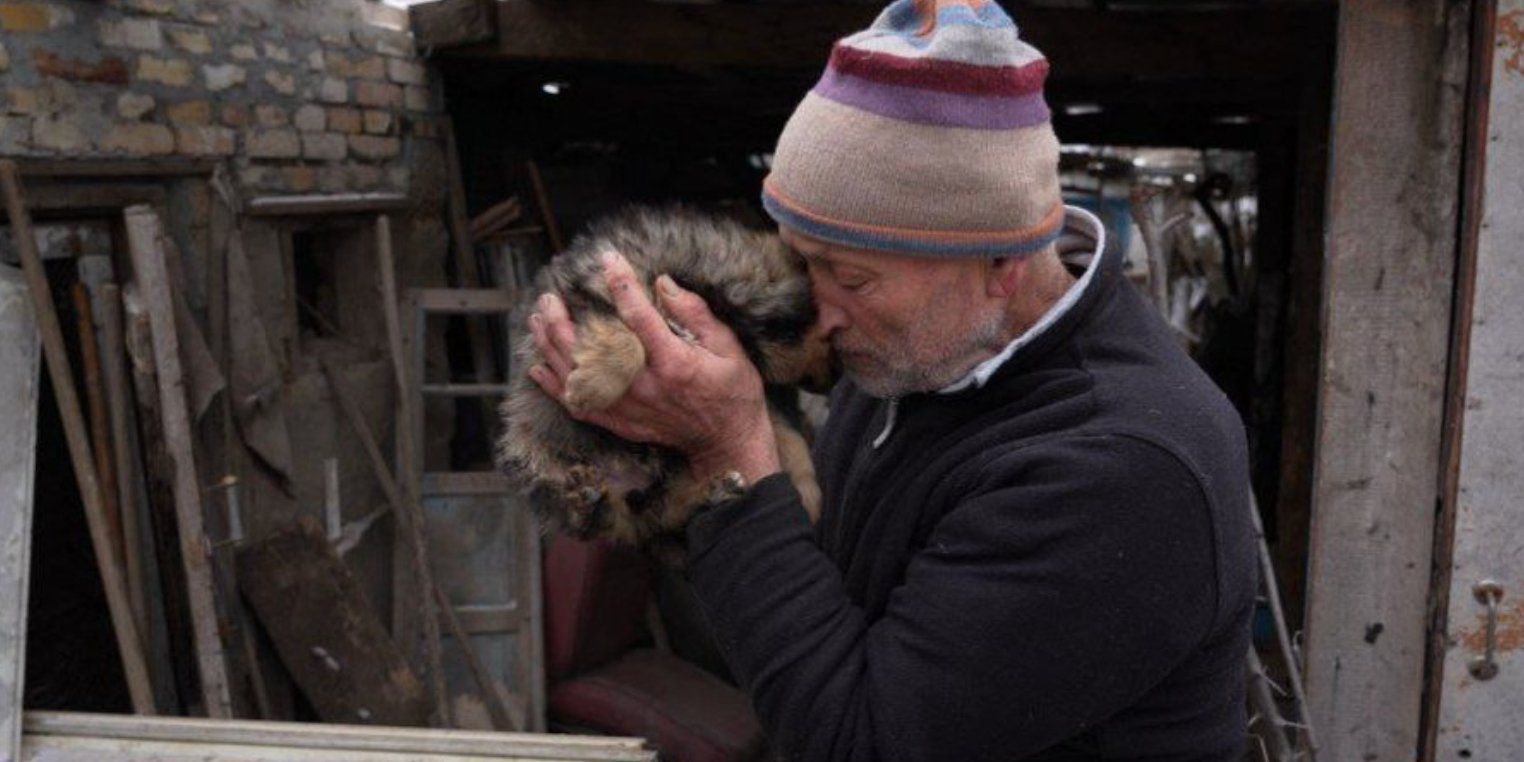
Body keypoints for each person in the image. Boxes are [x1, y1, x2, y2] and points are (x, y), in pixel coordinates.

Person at [527, 1, 1257, 759]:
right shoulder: (919, 355)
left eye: (851, 277)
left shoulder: (1123, 467)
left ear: (1001, 264)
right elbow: (817, 617)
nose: (819, 310)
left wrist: (730, 455)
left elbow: (863, 741)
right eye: (802, 260)